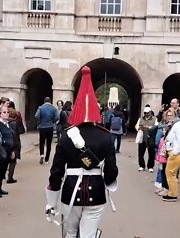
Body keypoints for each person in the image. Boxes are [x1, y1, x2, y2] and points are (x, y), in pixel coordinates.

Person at [45, 66, 118, 238]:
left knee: (70, 234)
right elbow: (111, 170)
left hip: (70, 189)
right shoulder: (106, 136)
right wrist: (108, 181)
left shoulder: (66, 136)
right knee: (89, 235)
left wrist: (52, 200)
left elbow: (56, 171)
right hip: (96, 191)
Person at [162, 108, 180, 202]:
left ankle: (172, 195)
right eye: (168, 115)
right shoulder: (172, 125)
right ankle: (172, 193)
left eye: (171, 115)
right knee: (172, 173)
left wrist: (174, 153)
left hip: (177, 153)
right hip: (174, 152)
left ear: (175, 115)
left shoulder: (177, 126)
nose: (169, 117)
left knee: (170, 173)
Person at [0, 106, 14, 197]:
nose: (6, 114)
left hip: (9, 150)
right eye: (4, 112)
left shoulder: (7, 123)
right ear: (0, 114)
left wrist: (12, 151)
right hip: (2, 151)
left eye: (7, 112)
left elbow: (11, 136)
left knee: (3, 170)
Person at [35, 97, 59, 164]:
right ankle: (46, 159)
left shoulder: (41, 108)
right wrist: (53, 122)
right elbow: (57, 117)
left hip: (42, 127)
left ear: (44, 101)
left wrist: (40, 121)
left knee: (42, 142)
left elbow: (36, 115)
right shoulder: (53, 108)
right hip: (50, 127)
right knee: (49, 143)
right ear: (50, 101)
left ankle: (42, 154)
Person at [135, 106, 158, 172]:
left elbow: (156, 126)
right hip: (142, 136)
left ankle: (150, 166)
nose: (146, 114)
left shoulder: (154, 119)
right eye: (145, 113)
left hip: (150, 137)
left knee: (151, 153)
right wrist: (139, 128)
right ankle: (141, 165)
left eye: (147, 113)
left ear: (150, 112)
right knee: (141, 152)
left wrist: (149, 128)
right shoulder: (141, 119)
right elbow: (137, 126)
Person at [7, 108, 25, 184]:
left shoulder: (6, 122)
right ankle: (10, 177)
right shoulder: (15, 123)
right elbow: (18, 133)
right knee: (13, 161)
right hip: (14, 143)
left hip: (7, 143)